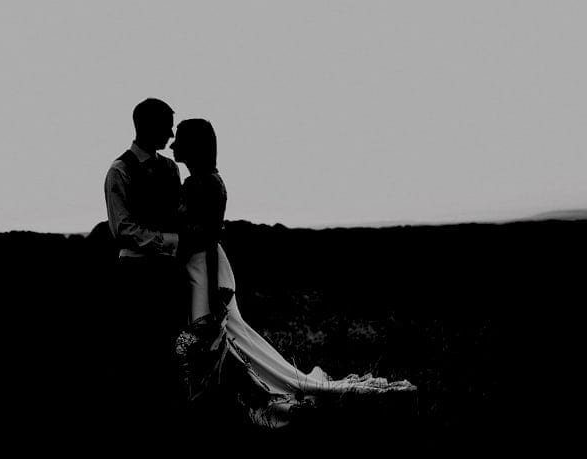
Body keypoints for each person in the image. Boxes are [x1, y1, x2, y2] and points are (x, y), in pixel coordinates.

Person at [168, 118, 417, 433]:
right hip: (207, 267)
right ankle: (228, 398)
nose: (173, 146)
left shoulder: (199, 184)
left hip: (207, 271)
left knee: (225, 343)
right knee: (232, 345)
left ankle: (231, 402)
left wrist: (212, 285)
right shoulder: (209, 181)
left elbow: (205, 238)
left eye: (179, 140)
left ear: (194, 146)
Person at [103, 98, 186, 434]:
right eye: (166, 125)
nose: (170, 132)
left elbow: (180, 211)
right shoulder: (119, 171)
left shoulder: (171, 169)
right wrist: (170, 242)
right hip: (136, 273)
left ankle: (166, 408)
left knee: (168, 341)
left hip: (169, 271)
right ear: (148, 126)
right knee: (139, 344)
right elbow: (121, 228)